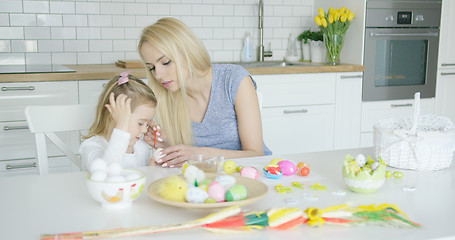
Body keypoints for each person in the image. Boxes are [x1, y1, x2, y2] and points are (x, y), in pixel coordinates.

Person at [138, 17, 272, 168]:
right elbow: (188, 157)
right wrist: (166, 144)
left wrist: (202, 154)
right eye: (152, 68)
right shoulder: (167, 95)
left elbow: (256, 154)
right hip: (208, 181)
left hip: (254, 173)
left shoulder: (233, 80)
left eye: (165, 62)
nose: (158, 75)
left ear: (187, 53)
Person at [79, 72, 157, 171]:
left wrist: (151, 169)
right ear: (113, 116)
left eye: (147, 124)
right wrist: (121, 127)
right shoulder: (91, 147)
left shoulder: (141, 149)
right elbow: (106, 174)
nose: (145, 130)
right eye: (141, 123)